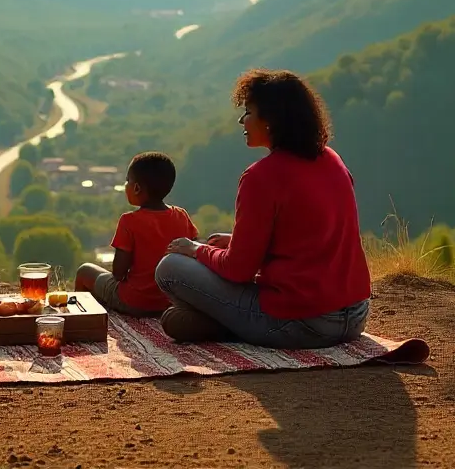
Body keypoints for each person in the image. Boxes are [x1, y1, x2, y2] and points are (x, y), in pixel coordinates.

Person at [154, 68, 372, 348]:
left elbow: (238, 271)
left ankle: (226, 324)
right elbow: (306, 239)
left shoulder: (260, 177)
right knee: (184, 304)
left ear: (270, 121)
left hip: (303, 323)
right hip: (355, 317)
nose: (242, 121)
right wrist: (234, 244)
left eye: (248, 112)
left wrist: (197, 250)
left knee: (169, 267)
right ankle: (225, 324)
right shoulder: (331, 160)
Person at [74, 152, 198, 317]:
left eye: (127, 181)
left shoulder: (129, 221)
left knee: (85, 271)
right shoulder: (182, 216)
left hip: (134, 302)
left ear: (137, 188)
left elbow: (118, 273)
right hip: (169, 302)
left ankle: (79, 320)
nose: (125, 185)